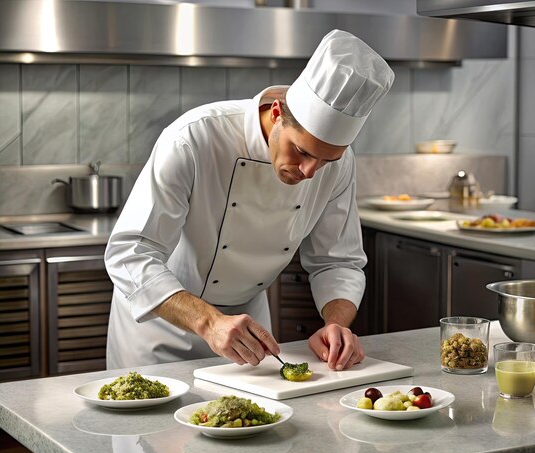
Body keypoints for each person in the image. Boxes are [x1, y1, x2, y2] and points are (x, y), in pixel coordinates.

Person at [104, 29, 395, 371]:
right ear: (276, 113)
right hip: (158, 327)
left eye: (326, 160)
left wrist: (337, 323)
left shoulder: (339, 164)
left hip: (247, 332)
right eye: (300, 151)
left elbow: (338, 261)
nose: (310, 171)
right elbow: (131, 253)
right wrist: (210, 323)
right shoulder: (194, 138)